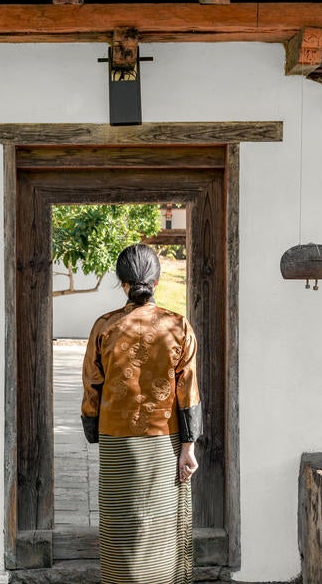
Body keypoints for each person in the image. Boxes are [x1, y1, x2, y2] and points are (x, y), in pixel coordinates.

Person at [81, 243, 203, 584]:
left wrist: (93, 427)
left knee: (121, 523)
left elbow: (92, 384)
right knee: (163, 522)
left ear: (122, 282)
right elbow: (188, 390)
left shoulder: (104, 327)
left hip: (117, 441)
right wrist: (188, 446)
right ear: (157, 281)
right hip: (165, 441)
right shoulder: (177, 326)